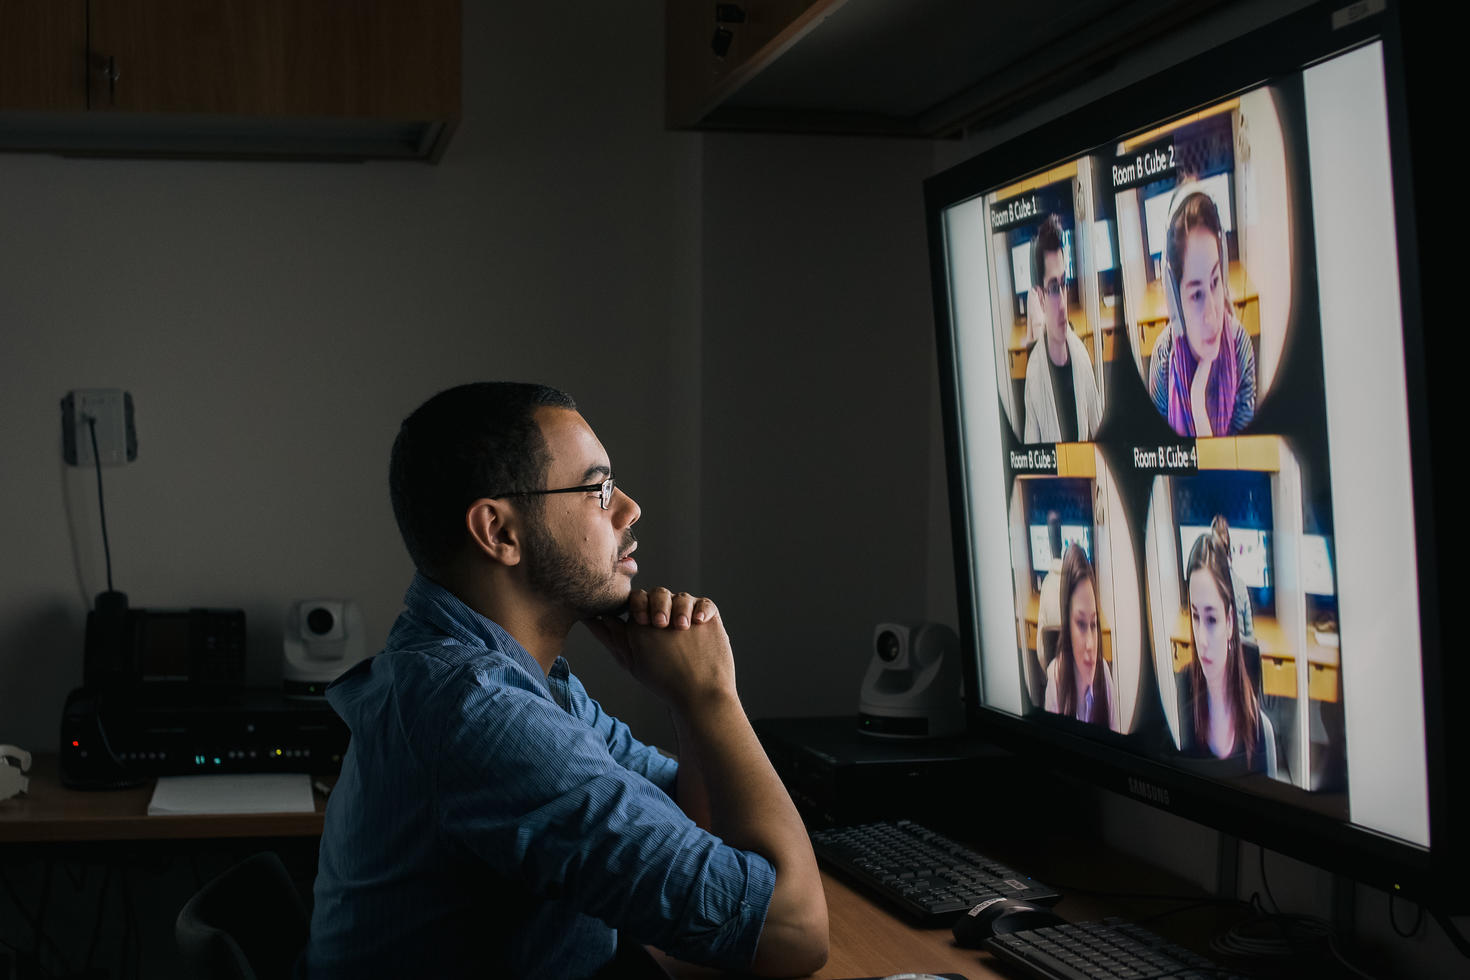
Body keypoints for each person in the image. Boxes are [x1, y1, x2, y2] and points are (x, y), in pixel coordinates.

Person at [304, 383, 828, 979]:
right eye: (599, 489)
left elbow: (691, 823)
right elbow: (792, 934)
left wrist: (686, 701)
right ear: (499, 532)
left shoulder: (513, 675)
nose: (630, 509)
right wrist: (710, 696)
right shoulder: (478, 711)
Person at [1148, 188, 1256, 437]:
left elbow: (1240, 466)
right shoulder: (1164, 359)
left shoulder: (1240, 348)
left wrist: (1199, 409)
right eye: (1196, 295)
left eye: (1216, 281)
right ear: (1175, 300)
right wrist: (1194, 398)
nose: (1212, 316)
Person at [1182, 532, 1266, 769]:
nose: (1201, 639)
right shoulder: (1183, 693)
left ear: (1229, 622)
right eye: (1195, 617)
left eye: (1212, 619)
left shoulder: (1253, 719)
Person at [1023, 214, 1103, 444]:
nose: (1063, 303)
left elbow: (1100, 439)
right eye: (1053, 288)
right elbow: (1034, 460)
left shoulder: (1081, 356)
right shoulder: (1034, 373)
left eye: (1064, 283)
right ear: (1039, 297)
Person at [1043, 544, 1119, 731]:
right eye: (1081, 624)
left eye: (1093, 625)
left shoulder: (1105, 675)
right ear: (1067, 626)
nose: (1091, 645)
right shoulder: (1056, 678)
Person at [1211, 514, 1254, 641]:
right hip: (1240, 655)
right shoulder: (1240, 586)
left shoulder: (1209, 586)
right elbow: (1250, 636)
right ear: (1229, 553)